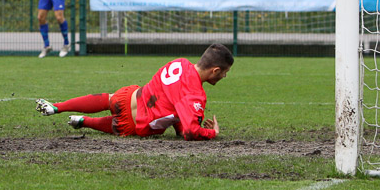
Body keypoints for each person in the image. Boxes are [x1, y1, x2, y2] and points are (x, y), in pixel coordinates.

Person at [35, 44, 233, 141]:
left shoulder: (179, 62)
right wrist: (211, 132)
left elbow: (171, 102)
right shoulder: (195, 94)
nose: (224, 77)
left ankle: (58, 106)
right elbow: (189, 132)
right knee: (116, 125)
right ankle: (84, 121)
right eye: (224, 73)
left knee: (109, 99)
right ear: (215, 70)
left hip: (130, 96)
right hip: (135, 122)